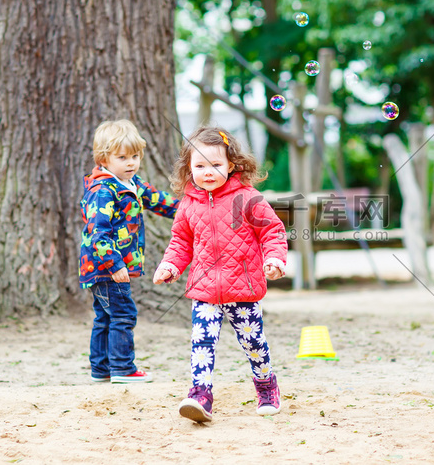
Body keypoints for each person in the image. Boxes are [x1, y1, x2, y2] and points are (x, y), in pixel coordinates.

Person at [153, 125, 287, 423]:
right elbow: (181, 241)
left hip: (244, 288)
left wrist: (275, 258)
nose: (208, 171)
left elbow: (272, 231)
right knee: (201, 342)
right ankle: (201, 394)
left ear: (232, 165)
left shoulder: (247, 198)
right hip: (204, 289)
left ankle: (266, 385)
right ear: (189, 168)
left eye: (216, 164)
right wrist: (171, 265)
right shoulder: (189, 203)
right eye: (200, 165)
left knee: (253, 343)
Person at [79, 119, 179, 384]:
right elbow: (98, 233)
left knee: (105, 316)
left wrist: (188, 210)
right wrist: (115, 265)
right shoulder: (103, 190)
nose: (130, 162)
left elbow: (159, 201)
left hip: (108, 267)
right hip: (106, 267)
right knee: (123, 313)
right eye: (122, 157)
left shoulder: (131, 183)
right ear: (104, 158)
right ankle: (123, 368)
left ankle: (101, 369)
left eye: (134, 156)